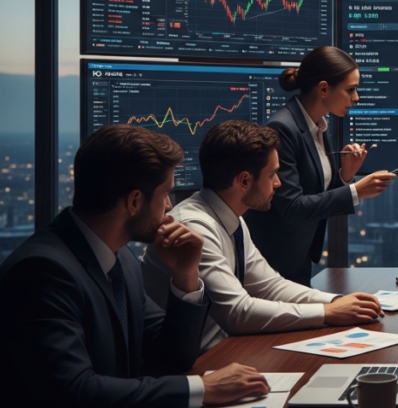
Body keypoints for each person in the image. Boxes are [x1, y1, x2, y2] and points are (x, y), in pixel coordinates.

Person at [0, 125, 270, 408]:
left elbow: (172, 356)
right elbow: (74, 391)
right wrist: (201, 389)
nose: (169, 207)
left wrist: (186, 274)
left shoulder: (122, 261)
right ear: (134, 201)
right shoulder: (42, 273)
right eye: (165, 194)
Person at [144, 120, 385, 351]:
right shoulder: (195, 227)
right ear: (244, 181)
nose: (278, 183)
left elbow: (270, 286)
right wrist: (328, 313)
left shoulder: (231, 217)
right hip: (196, 361)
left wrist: (335, 302)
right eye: (272, 175)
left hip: (223, 349)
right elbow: (237, 312)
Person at [246, 46, 395, 285]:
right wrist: (355, 191)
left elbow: (315, 192)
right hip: (275, 264)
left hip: (299, 258)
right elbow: (291, 207)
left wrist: (345, 175)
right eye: (350, 89)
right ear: (324, 89)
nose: (356, 97)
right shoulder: (282, 129)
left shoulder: (318, 126)